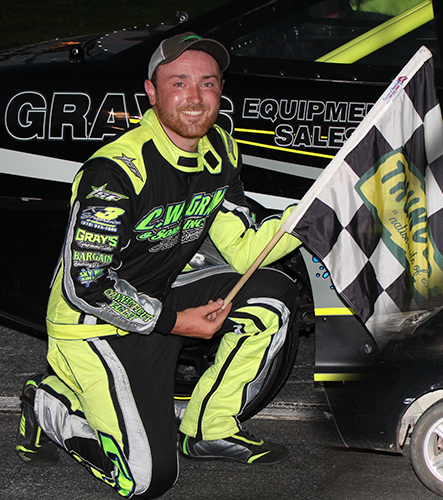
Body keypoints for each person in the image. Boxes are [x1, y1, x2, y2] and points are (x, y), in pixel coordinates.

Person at [15, 32, 302, 498]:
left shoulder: (222, 151)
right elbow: (85, 287)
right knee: (146, 482)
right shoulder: (115, 171)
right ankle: (51, 402)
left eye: (207, 84)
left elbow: (245, 252)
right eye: (179, 83)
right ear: (151, 92)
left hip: (161, 299)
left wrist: (305, 220)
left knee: (272, 291)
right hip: (93, 327)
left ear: (220, 90)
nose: (194, 98)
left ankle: (209, 427)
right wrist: (174, 322)